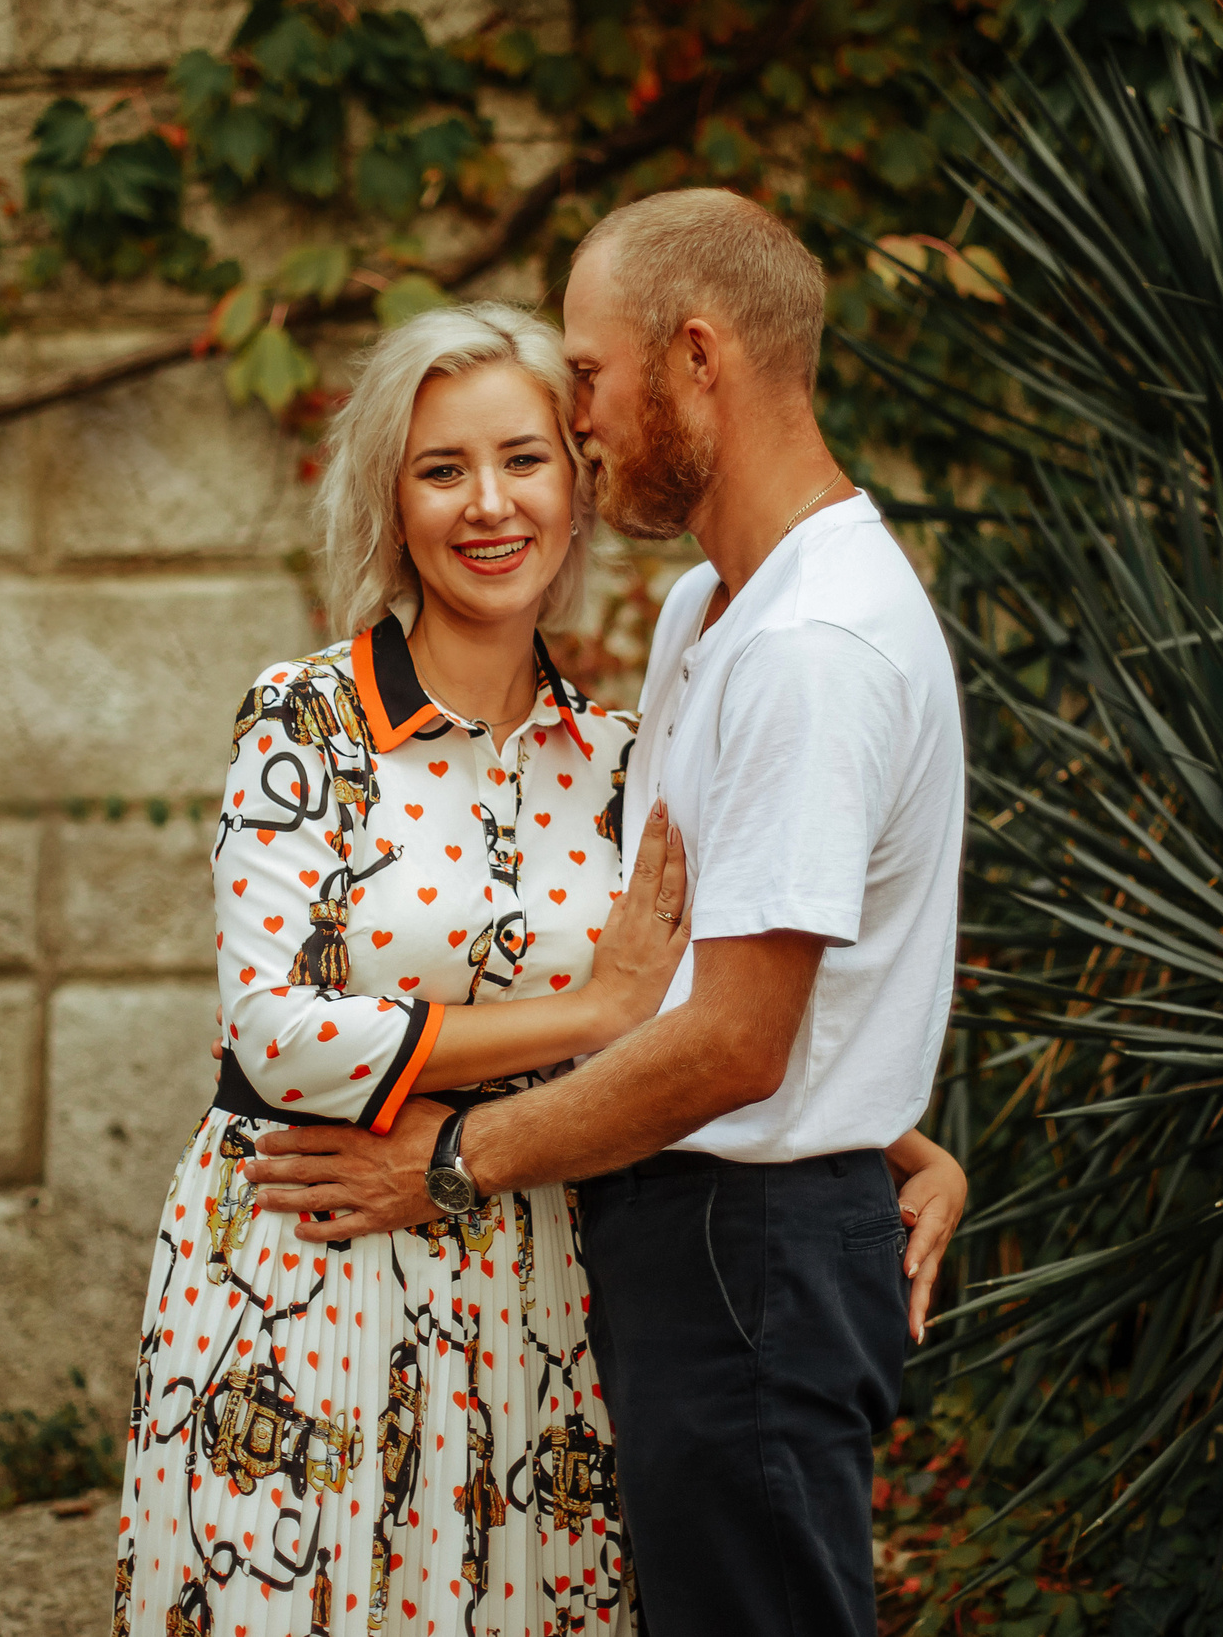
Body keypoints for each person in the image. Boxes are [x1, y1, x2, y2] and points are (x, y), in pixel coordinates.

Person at [242, 189, 972, 1637]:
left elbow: (730, 1049)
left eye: (583, 378)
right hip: (663, 1230)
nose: (579, 424)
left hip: (740, 1244)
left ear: (696, 357)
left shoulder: (812, 650)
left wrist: (447, 1163)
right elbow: (697, 963)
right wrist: (892, 1125)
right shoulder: (716, 614)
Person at [112, 300, 689, 1636]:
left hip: (526, 1268)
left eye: (523, 460)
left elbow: (713, 1010)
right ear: (393, 498)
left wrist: (900, 1146)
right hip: (300, 1261)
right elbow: (278, 1032)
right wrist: (585, 1007)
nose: (489, 505)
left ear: (576, 482)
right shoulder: (306, 717)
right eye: (443, 470)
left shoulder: (617, 762)